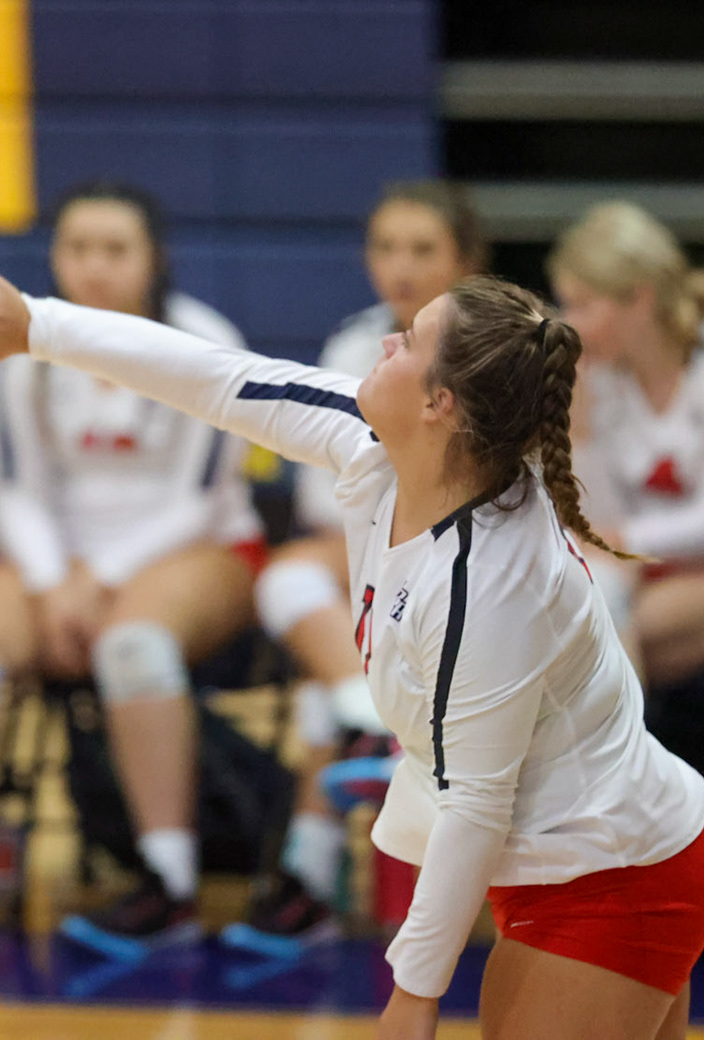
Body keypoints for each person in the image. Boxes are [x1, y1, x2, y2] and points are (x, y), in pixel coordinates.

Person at [0, 247, 704, 1040]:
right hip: (577, 860)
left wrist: (413, 993)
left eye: (407, 341)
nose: (384, 344)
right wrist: (39, 325)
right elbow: (220, 378)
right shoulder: (372, 441)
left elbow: (479, 804)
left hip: (618, 875)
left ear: (442, 402)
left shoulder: (492, 578)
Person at [0, 182, 263, 958]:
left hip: (190, 547)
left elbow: (200, 498)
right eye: (77, 249)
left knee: (134, 646)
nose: (94, 268)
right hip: (61, 556)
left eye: (115, 250)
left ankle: (170, 882)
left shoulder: (204, 339)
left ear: (152, 259)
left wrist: (97, 580)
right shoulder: (30, 343)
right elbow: (15, 486)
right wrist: (55, 579)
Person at [227, 181, 484, 956]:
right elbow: (319, 490)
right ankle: (362, 719)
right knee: (288, 579)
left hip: (473, 569)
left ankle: (308, 876)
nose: (400, 266)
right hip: (376, 553)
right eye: (385, 247)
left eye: (422, 249)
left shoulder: (502, 350)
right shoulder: (352, 346)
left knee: (338, 669)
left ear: (466, 260)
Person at [548, 202, 704, 688]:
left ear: (638, 299)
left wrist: (617, 543)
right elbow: (604, 514)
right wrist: (581, 429)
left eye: (582, 304)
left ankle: (625, 765)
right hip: (635, 575)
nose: (569, 324)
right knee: (563, 639)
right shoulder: (601, 377)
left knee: (581, 641)